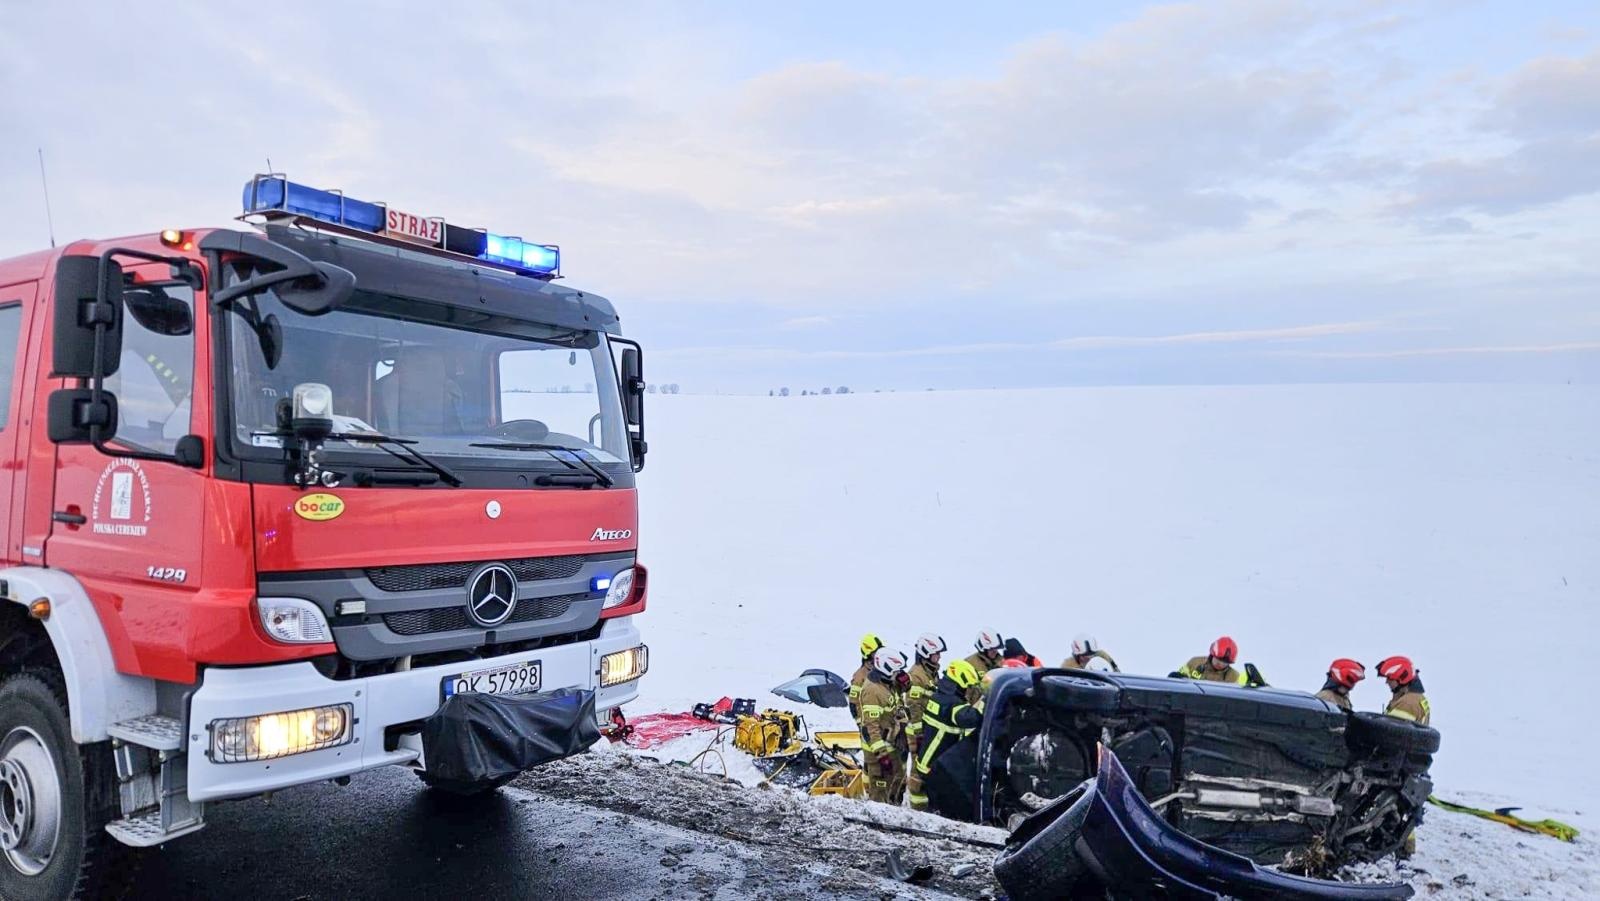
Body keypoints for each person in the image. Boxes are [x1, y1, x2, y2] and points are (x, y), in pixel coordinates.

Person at [911, 659, 985, 808]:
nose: (968, 691)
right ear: (960, 682)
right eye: (968, 687)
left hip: (927, 760)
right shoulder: (951, 703)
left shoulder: (939, 696)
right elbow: (969, 718)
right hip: (936, 766)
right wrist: (985, 700)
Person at [857, 648, 911, 804]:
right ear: (886, 670)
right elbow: (870, 728)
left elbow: (898, 695)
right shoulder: (872, 691)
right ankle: (877, 823)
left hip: (891, 744)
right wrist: (882, 756)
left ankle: (893, 808)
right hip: (878, 752)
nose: (898, 674)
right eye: (896, 671)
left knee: (897, 780)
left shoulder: (887, 682)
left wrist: (905, 682)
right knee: (880, 792)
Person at [904, 634, 945, 811]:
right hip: (917, 732)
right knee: (918, 771)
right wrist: (920, 734)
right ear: (926, 654)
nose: (939, 657)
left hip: (928, 730)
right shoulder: (916, 675)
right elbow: (914, 706)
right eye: (936, 654)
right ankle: (918, 807)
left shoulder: (931, 673)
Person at [1377, 656, 1431, 726]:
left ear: (1402, 678)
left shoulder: (1407, 704)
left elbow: (1391, 732)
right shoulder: (1417, 697)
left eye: (1389, 678)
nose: (1387, 682)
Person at [1176, 636, 1247, 685]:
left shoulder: (1234, 676)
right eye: (1218, 659)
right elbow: (1179, 682)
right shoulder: (1194, 663)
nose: (1220, 664)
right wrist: (1176, 678)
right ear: (1212, 654)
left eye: (1225, 662)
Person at [962, 631, 1005, 704]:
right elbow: (966, 692)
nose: (995, 651)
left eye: (996, 648)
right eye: (991, 649)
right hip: (979, 706)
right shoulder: (969, 663)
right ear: (983, 649)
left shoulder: (1003, 662)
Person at [849, 633, 884, 720]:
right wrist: (862, 724)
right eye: (875, 652)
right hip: (871, 724)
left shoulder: (884, 670)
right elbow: (853, 704)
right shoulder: (860, 676)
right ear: (868, 654)